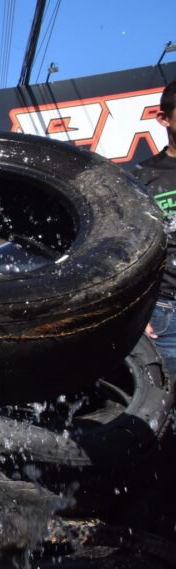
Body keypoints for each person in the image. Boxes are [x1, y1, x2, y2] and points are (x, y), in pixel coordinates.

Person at [134, 79, 176, 375]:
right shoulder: (142, 177)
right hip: (166, 313)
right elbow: (131, 251)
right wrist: (138, 312)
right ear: (164, 118)